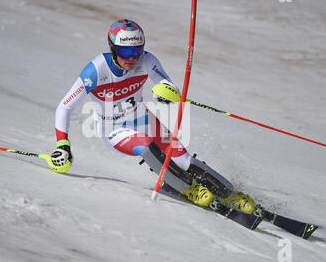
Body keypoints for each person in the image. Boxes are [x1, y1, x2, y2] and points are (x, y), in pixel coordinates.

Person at [50, 19, 256, 214]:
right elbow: (65, 107)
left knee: (183, 159)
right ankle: (189, 189)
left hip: (144, 119)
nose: (131, 58)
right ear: (112, 47)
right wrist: (63, 145)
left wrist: (166, 92)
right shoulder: (96, 70)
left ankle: (229, 194)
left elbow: (167, 84)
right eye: (125, 51)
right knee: (148, 146)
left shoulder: (147, 60)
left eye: (136, 50)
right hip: (113, 130)